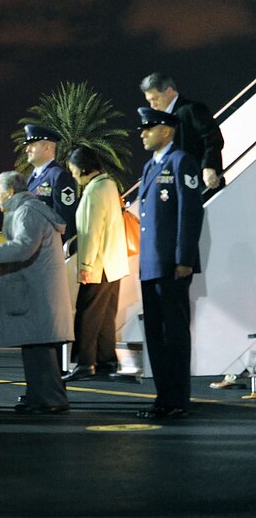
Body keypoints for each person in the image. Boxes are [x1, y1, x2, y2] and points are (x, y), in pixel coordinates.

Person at [0, 171, 74, 414]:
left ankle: (51, 400)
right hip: (34, 290)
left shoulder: (26, 211)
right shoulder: (25, 210)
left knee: (40, 350)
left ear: (10, 191)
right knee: (33, 348)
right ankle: (37, 397)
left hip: (35, 291)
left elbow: (23, 246)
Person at [135, 107, 204, 419]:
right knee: (156, 335)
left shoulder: (181, 162)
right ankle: (163, 398)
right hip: (151, 265)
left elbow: (189, 214)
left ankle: (177, 400)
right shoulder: (151, 166)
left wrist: (184, 259)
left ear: (166, 129)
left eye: (148, 128)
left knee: (174, 334)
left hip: (172, 264)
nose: (143, 133)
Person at [62, 147, 129, 381]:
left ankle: (84, 363)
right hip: (114, 264)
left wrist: (86, 267)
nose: (72, 176)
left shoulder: (93, 191)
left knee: (87, 315)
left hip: (98, 266)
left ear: (82, 168)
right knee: (105, 315)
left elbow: (90, 232)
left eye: (72, 171)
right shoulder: (109, 185)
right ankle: (106, 361)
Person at [139, 73, 224, 194]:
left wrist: (209, 167)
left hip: (202, 185)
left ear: (168, 91)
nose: (152, 105)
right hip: (181, 191)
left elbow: (212, 138)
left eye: (155, 99)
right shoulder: (161, 121)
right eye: (149, 101)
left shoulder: (192, 109)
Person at [23, 125, 77, 247]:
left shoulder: (59, 176)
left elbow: (65, 218)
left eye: (32, 145)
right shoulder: (31, 179)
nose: (27, 150)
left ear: (47, 147)